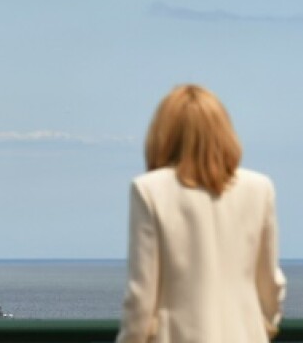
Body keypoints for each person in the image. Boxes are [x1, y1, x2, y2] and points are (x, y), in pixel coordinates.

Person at [116, 84, 287, 343]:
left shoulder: (148, 189)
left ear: (164, 135)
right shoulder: (259, 188)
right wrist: (257, 326)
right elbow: (270, 285)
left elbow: (141, 297)